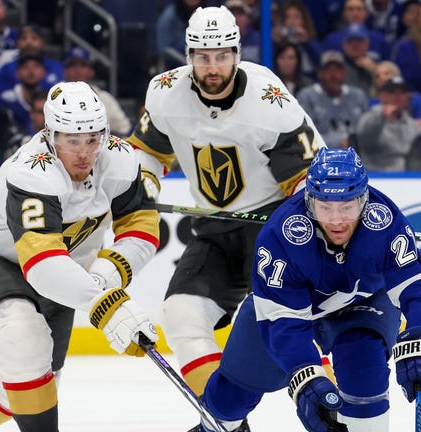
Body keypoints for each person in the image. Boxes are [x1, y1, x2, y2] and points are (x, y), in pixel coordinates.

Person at [0, 81, 160, 431]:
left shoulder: (119, 159)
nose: (84, 153)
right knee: (23, 338)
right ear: (50, 135)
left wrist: (105, 276)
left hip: (66, 268)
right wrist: (106, 304)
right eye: (71, 141)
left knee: (33, 383)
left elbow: (141, 228)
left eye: (93, 139)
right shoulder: (32, 172)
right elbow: (43, 264)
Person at [126, 5, 324, 415]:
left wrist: (307, 224)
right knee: (180, 315)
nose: (212, 67)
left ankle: (332, 412)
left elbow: (307, 178)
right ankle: (224, 420)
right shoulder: (164, 92)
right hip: (212, 228)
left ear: (236, 54)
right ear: (188, 57)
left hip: (273, 227)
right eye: (202, 57)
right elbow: (147, 152)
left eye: (221, 56)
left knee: (285, 324)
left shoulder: (270, 100)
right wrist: (144, 187)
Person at [192, 147, 421, 432]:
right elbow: (283, 320)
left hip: (362, 303)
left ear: (364, 199)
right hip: (284, 312)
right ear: (309, 201)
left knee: (364, 363)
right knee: (234, 392)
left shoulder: (383, 220)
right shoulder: (282, 234)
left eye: (347, 206)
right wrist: (306, 378)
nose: (337, 219)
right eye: (325, 206)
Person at [296, 50, 369, 148]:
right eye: (328, 69)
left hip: (357, 155)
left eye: (337, 69)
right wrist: (337, 142)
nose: (333, 74)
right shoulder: (307, 96)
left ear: (344, 73)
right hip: (321, 155)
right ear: (320, 73)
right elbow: (304, 134)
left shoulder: (358, 95)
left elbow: (368, 131)